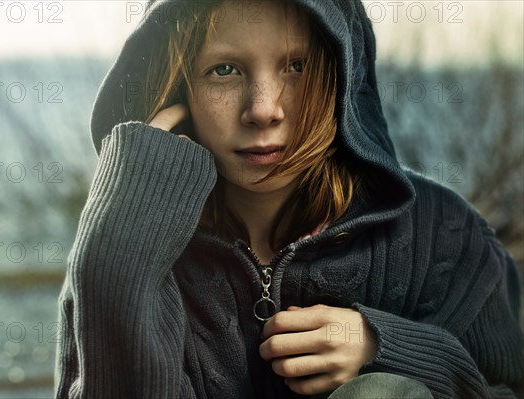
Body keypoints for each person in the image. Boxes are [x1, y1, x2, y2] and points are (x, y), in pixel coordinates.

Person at [54, 1, 523, 398]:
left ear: (342, 77)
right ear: (179, 90)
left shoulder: (444, 231)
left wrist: (389, 349)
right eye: (224, 70)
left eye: (296, 66)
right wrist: (119, 261)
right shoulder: (121, 243)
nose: (263, 109)